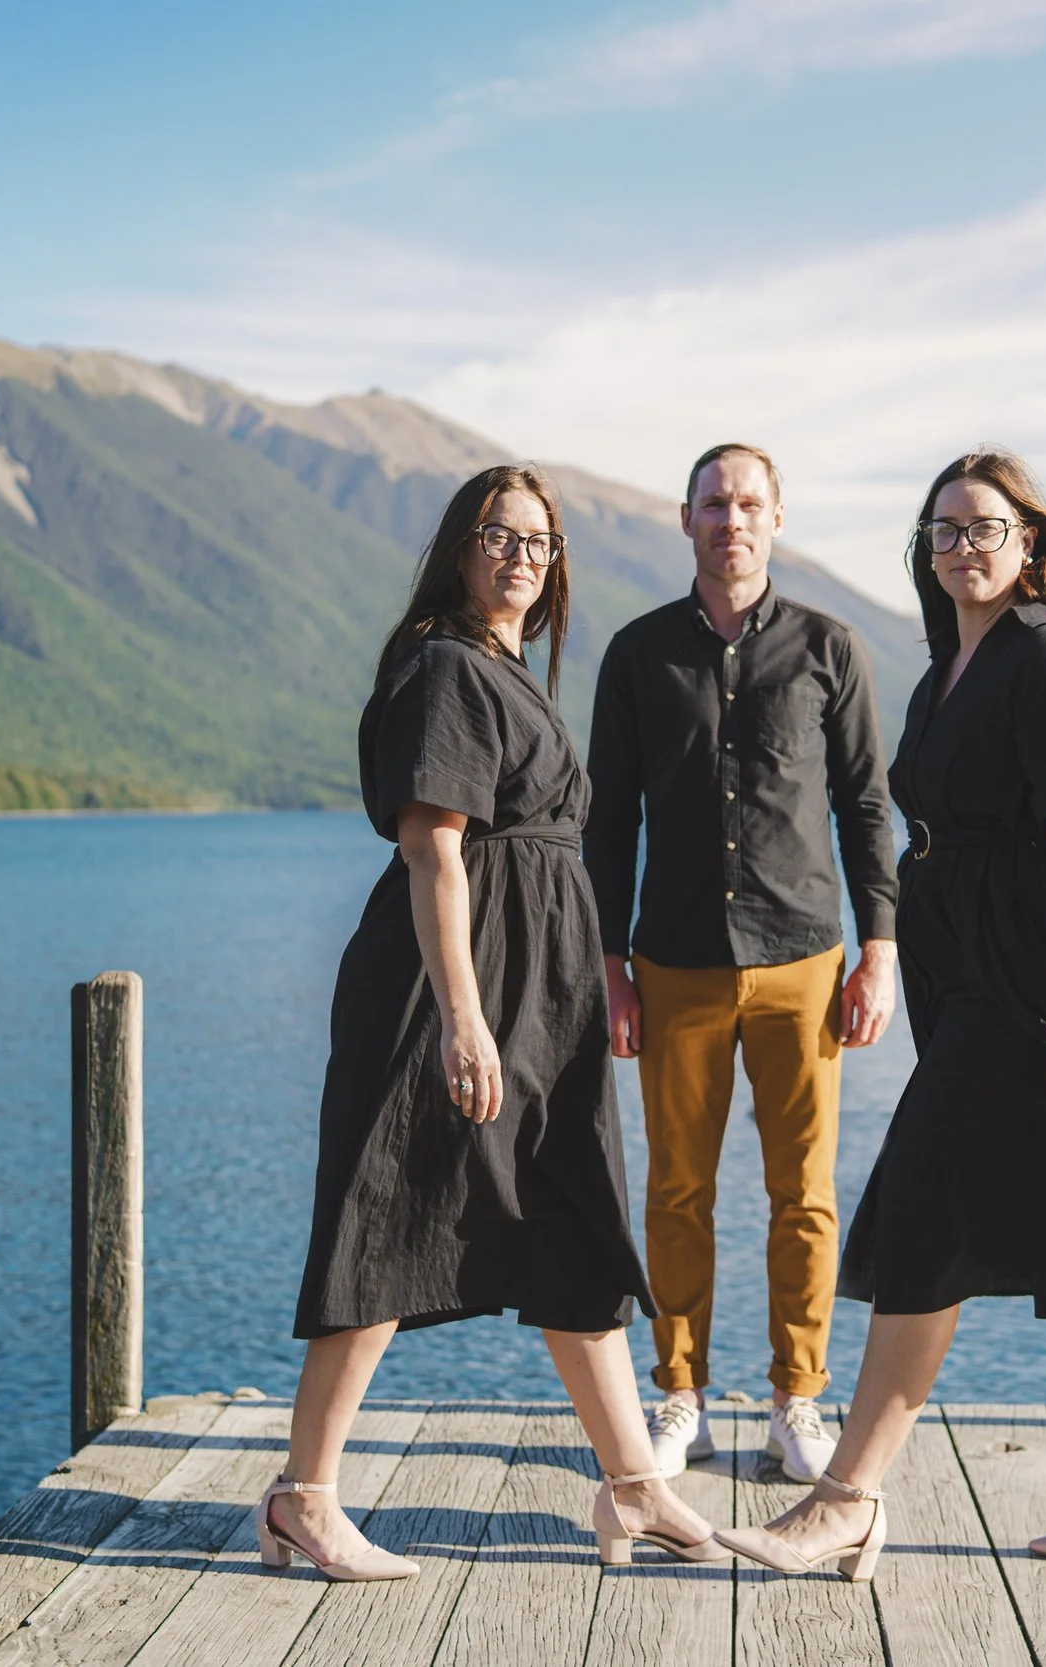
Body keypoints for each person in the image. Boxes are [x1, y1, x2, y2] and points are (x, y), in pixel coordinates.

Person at [716, 449, 1046, 1579]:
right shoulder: (953, 664)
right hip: (980, 970)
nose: (959, 547)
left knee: (924, 1199)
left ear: (1026, 541)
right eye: (940, 530)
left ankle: (847, 1495)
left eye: (981, 527)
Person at [255, 464, 727, 1580]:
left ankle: (634, 1488)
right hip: (449, 985)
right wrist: (464, 1018)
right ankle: (303, 1497)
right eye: (498, 535)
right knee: (388, 1213)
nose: (521, 556)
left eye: (539, 542)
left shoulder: (508, 667)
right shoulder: (444, 667)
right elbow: (434, 849)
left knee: (573, 1216)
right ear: (459, 549)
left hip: (542, 991)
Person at [583, 442, 899, 1483]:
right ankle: (681, 1397)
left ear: (775, 518)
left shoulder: (828, 647)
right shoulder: (636, 655)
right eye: (713, 503)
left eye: (749, 502)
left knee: (802, 1191)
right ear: (685, 519)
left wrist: (880, 951)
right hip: (670, 961)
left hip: (805, 957)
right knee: (677, 1188)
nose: (731, 519)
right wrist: (608, 965)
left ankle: (796, 1400)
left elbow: (864, 806)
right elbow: (607, 820)